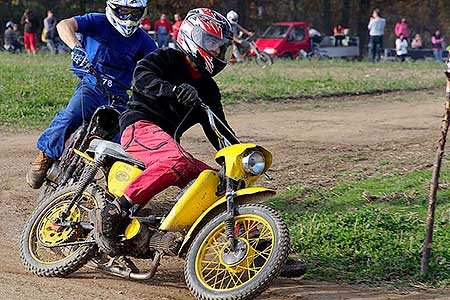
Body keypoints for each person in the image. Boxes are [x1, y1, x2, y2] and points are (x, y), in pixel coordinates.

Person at [95, 8, 238, 254]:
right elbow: (141, 78)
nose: (216, 51)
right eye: (211, 42)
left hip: (165, 142)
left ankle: (258, 244)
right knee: (177, 160)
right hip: (137, 127)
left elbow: (219, 129)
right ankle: (116, 209)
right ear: (192, 37)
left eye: (220, 46)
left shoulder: (208, 88)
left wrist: (238, 156)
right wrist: (172, 90)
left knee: (215, 182)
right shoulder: (166, 58)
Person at [26, 0, 157, 189]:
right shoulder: (97, 21)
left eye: (134, 13)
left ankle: (117, 190)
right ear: (113, 8)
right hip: (91, 84)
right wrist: (76, 47)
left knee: (124, 141)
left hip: (119, 95)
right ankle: (45, 156)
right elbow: (64, 25)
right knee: (72, 115)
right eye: (123, 12)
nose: (128, 19)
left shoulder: (143, 40)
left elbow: (158, 62)